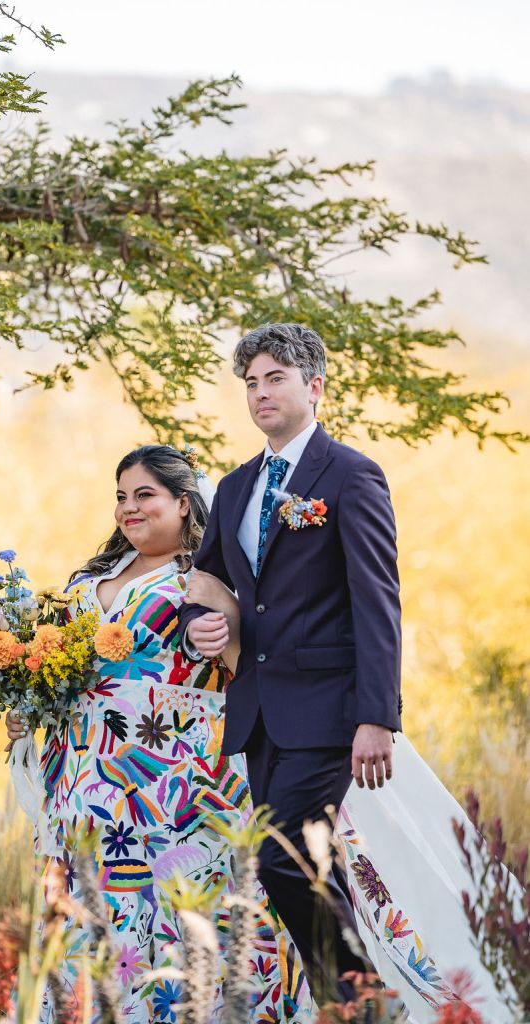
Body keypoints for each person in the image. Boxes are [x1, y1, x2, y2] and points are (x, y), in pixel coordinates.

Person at [6, 444, 315, 1024]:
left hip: (175, 784)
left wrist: (224, 640)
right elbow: (53, 675)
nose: (129, 507)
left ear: (183, 501)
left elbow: (249, 665)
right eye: (121, 496)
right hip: (84, 784)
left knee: (178, 920)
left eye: (145, 494)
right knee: (90, 916)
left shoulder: (206, 580)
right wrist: (25, 710)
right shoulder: (89, 577)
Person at [179, 322, 403, 1006]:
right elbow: (205, 582)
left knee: (283, 859)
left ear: (313, 386)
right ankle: (355, 1003)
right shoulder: (236, 484)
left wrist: (376, 715)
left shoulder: (350, 474)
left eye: (274, 378)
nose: (259, 393)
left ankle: (358, 1000)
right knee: (306, 867)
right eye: (250, 382)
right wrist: (200, 631)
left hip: (330, 708)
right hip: (258, 710)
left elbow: (377, 599)